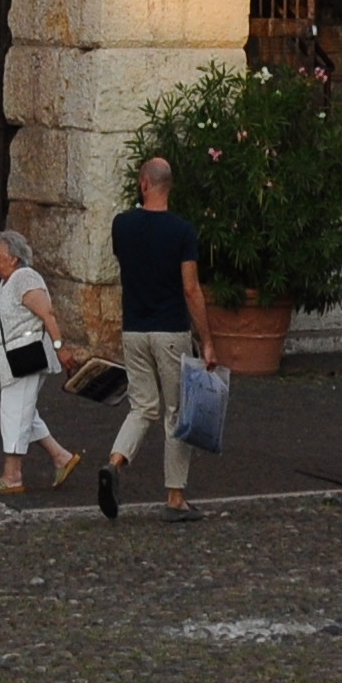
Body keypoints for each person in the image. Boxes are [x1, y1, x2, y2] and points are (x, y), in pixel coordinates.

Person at [97, 154, 212, 524]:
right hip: (171, 331)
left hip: (134, 329)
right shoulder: (182, 231)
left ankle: (115, 462)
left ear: (144, 183)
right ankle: (175, 497)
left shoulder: (122, 226)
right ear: (169, 187)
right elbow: (191, 289)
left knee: (142, 406)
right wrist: (206, 339)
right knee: (176, 413)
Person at [0, 226, 82, 496]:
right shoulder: (7, 282)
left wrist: (60, 348)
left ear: (13, 258)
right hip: (15, 359)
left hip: (27, 357)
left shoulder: (25, 277)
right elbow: (6, 319)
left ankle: (12, 476)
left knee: (13, 412)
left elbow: (48, 314)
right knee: (25, 412)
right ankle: (61, 457)